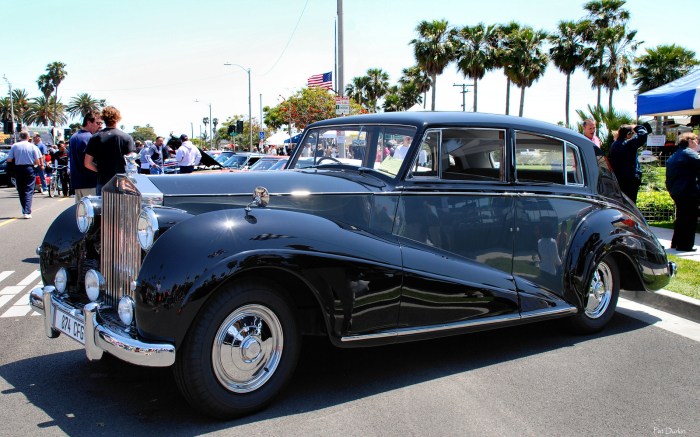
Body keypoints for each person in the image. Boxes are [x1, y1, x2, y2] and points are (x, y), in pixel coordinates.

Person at [84, 106, 135, 195]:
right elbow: (131, 163)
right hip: (121, 182)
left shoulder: (95, 137)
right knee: (120, 208)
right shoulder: (126, 137)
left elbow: (87, 163)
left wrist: (100, 170)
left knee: (103, 208)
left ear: (103, 118)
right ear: (118, 118)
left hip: (102, 181)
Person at [665, 132, 700, 252]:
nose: (697, 142)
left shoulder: (674, 155)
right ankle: (685, 246)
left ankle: (676, 243)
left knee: (681, 218)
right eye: (696, 140)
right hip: (688, 191)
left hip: (676, 190)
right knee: (689, 219)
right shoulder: (690, 154)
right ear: (689, 141)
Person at [607, 124, 649, 203]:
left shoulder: (614, 145)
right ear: (628, 134)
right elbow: (643, 135)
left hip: (618, 179)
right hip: (630, 180)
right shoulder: (628, 144)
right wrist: (637, 127)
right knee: (630, 204)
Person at [7, 131, 42, 218]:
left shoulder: (15, 146)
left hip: (18, 169)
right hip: (29, 168)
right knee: (29, 190)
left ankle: (25, 210)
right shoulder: (32, 146)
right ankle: (27, 211)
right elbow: (37, 161)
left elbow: (9, 160)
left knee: (21, 190)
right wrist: (36, 166)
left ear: (20, 137)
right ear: (28, 137)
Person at [69, 110, 102, 202]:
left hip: (78, 183)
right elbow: (89, 163)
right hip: (90, 184)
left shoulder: (74, 137)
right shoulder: (90, 138)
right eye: (98, 123)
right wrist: (102, 172)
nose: (100, 126)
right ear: (89, 122)